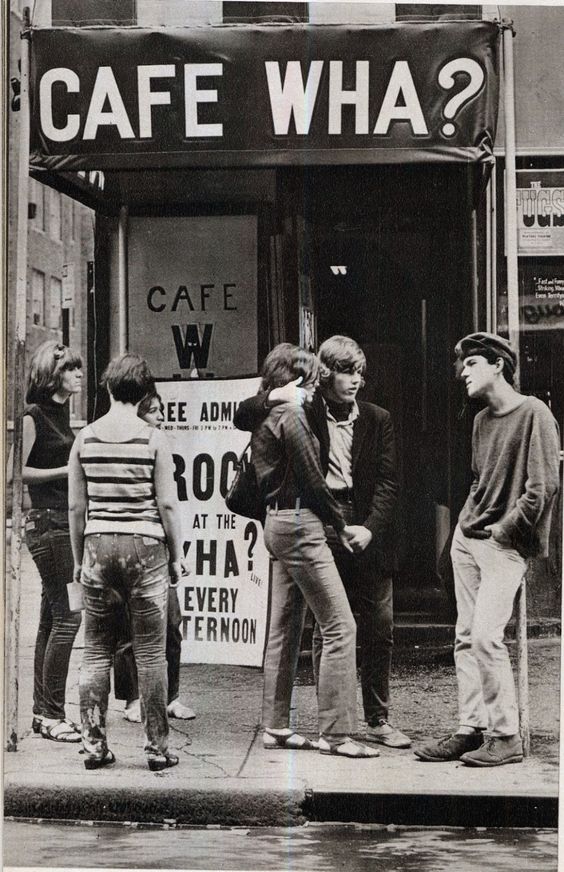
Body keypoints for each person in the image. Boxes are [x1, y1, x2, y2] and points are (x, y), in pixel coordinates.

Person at [234, 335, 409, 748]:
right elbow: (309, 477)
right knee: (336, 625)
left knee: (302, 625)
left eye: (360, 373)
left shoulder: (374, 417)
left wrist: (366, 526)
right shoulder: (297, 410)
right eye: (347, 372)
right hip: (311, 518)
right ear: (322, 375)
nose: (356, 381)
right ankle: (337, 731)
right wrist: (338, 524)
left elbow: (387, 481)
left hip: (326, 519)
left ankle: (287, 725)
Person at [415, 333, 560, 766]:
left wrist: (504, 529)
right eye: (462, 365)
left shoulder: (535, 413)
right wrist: (465, 523)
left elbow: (543, 487)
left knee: (485, 637)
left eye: (473, 363)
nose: (464, 372)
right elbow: (479, 480)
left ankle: (506, 736)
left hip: (505, 545)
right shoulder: (480, 422)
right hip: (469, 539)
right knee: (464, 637)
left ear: (499, 365)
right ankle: (470, 728)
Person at [68, 353, 186, 770]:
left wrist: (79, 560)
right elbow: (167, 505)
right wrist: (177, 556)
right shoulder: (153, 438)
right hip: (146, 547)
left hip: (98, 545)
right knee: (152, 653)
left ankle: (94, 746)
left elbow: (76, 508)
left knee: (96, 649)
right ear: (142, 393)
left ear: (109, 388)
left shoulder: (86, 438)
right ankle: (157, 749)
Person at [8, 341, 83, 742]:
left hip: (59, 524)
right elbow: (14, 472)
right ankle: (52, 713)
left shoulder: (63, 414)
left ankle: (43, 712)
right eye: (71, 369)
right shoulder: (33, 415)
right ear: (53, 375)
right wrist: (64, 469)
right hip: (47, 525)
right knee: (70, 616)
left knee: (53, 617)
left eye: (78, 369)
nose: (78, 375)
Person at [114, 391, 195, 723]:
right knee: (127, 628)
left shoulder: (160, 444)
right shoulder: (131, 446)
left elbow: (170, 505)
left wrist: (176, 550)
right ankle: (132, 699)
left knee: (171, 623)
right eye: (154, 412)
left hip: (157, 544)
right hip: (135, 544)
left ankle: (171, 695)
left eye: (161, 411)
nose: (160, 417)